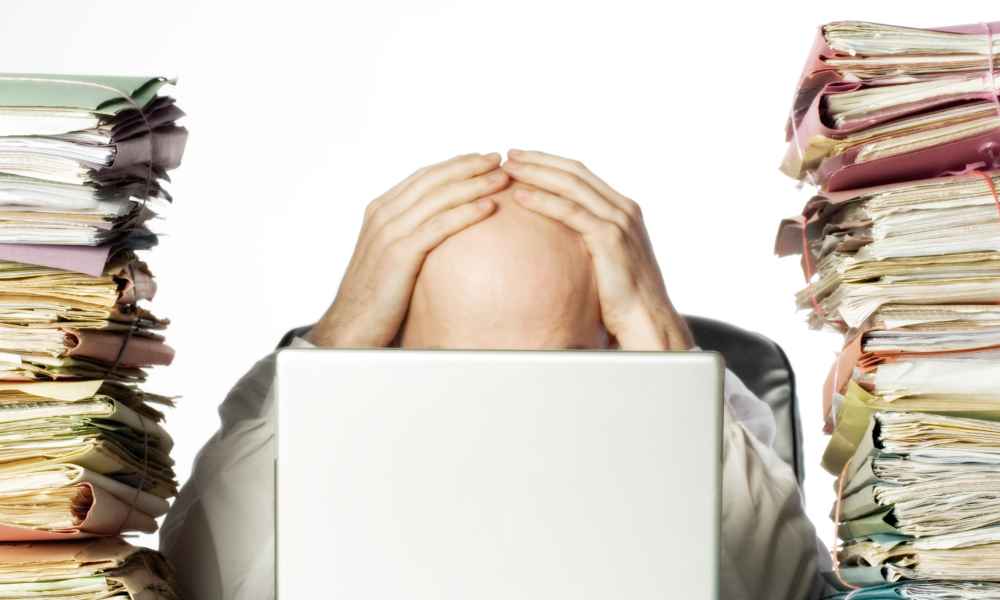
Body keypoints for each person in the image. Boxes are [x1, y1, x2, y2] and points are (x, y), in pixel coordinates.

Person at [160, 150, 829, 600]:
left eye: (561, 368)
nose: (514, 413)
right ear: (385, 351)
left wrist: (660, 339)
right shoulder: (310, 419)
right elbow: (207, 581)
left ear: (615, 349)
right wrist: (343, 334)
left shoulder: (694, 412)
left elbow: (782, 590)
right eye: (463, 368)